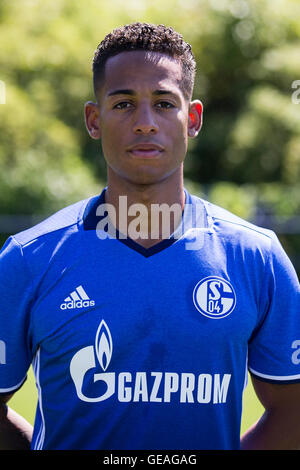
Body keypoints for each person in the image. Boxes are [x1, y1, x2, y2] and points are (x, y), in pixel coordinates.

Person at [0, 22, 299, 451]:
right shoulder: (29, 258)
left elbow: (293, 407)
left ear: (192, 119)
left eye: (163, 103)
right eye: (123, 104)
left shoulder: (257, 257)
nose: (144, 123)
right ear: (93, 119)